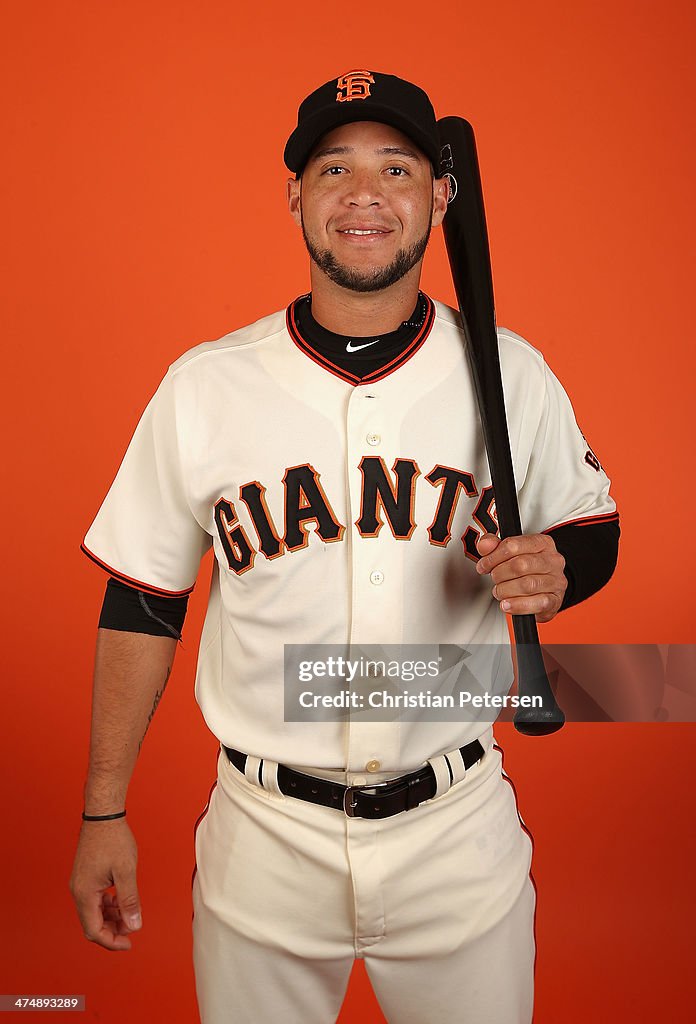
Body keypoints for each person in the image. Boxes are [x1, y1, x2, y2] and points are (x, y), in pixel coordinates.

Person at [70, 70, 620, 1024]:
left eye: (397, 168)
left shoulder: (510, 370)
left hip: (457, 832)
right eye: (334, 168)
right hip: (263, 837)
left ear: (441, 198)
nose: (365, 193)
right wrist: (103, 809)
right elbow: (144, 598)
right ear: (295, 197)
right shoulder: (205, 386)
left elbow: (592, 527)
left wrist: (560, 569)